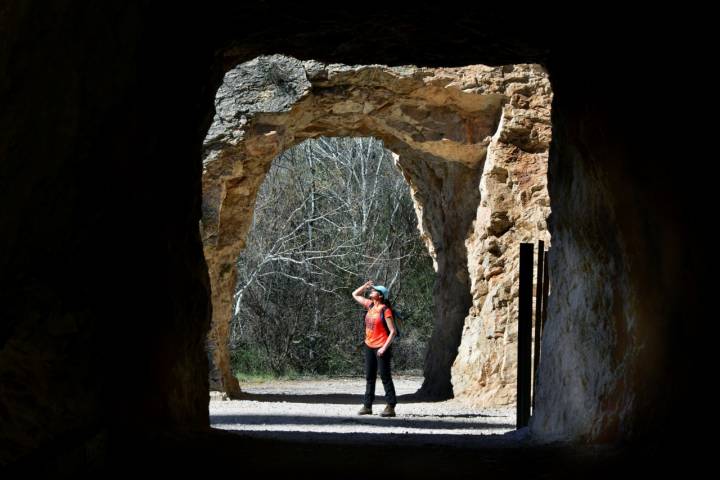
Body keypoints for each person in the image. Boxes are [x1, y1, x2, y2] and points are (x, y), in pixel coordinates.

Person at [351, 280, 397, 417]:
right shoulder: (370, 305)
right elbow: (354, 294)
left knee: (385, 376)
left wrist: (383, 348)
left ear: (381, 295)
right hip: (369, 346)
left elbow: (393, 332)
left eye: (375, 290)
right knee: (369, 377)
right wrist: (364, 286)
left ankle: (391, 406)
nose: (372, 291)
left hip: (381, 346)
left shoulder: (385, 310)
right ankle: (367, 406)